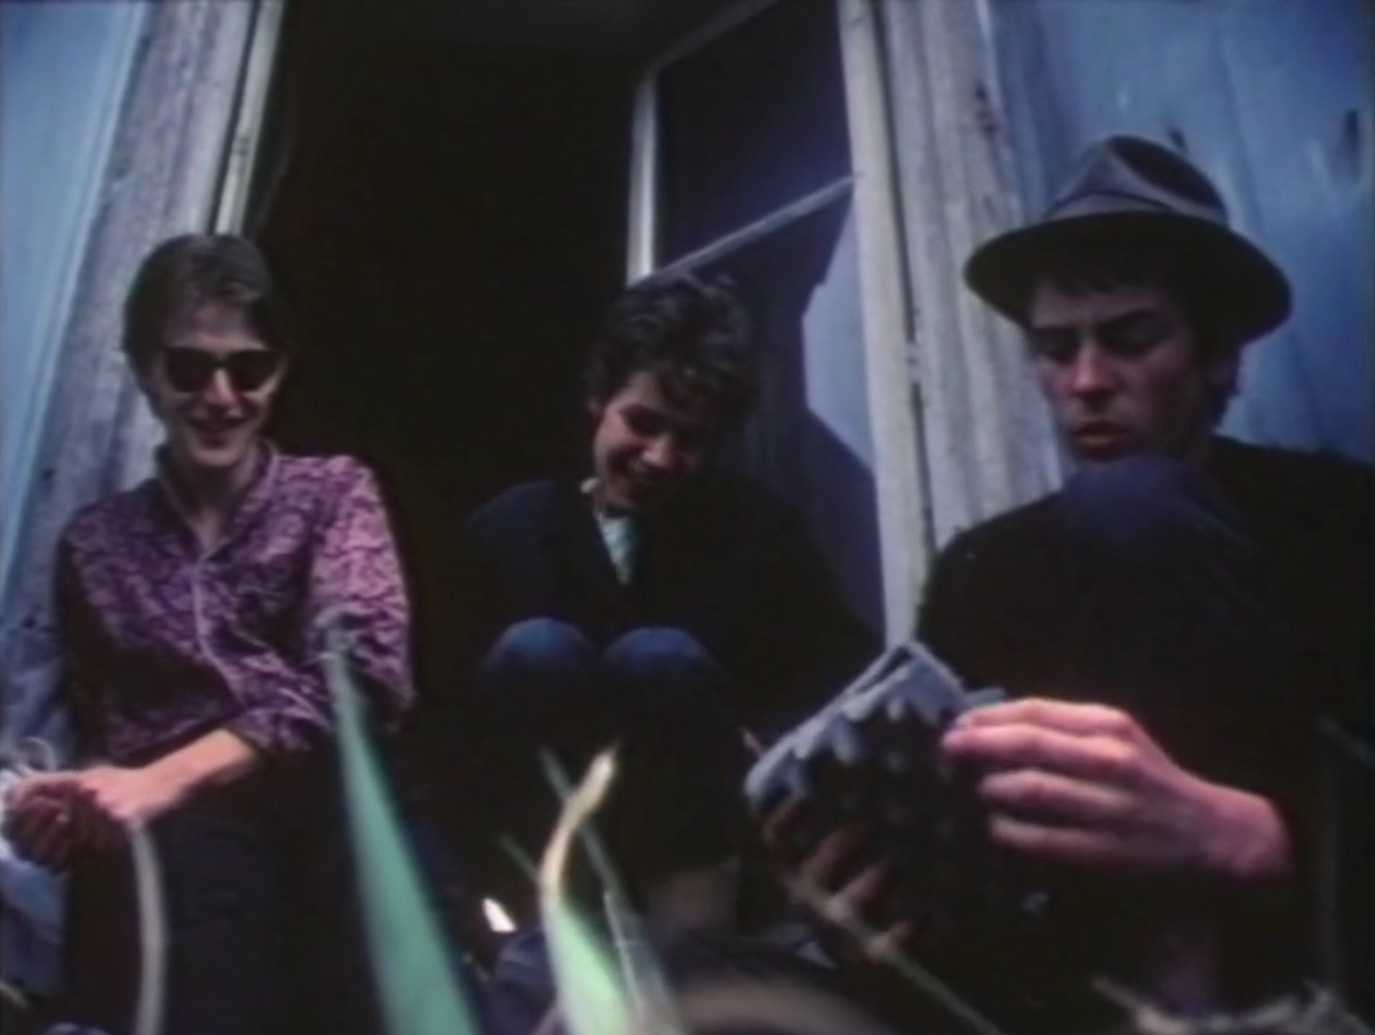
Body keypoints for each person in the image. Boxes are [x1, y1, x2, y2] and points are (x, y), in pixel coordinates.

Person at [766, 136, 1373, 1034]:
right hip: (1046, 991)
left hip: (1298, 976)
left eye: (1130, 338)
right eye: (1054, 349)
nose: (1085, 381)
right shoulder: (983, 571)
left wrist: (1254, 836)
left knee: (1132, 503)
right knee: (681, 973)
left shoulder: (1339, 525)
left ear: (1217, 356)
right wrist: (872, 909)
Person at [2, 234, 415, 1035]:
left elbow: (362, 674)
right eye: (189, 367)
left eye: (248, 368)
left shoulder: (332, 494)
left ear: (280, 371)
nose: (220, 395)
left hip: (316, 821)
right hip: (165, 862)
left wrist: (164, 779)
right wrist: (66, 806)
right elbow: (103, 731)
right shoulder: (96, 545)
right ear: (144, 370)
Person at [438, 273, 875, 931]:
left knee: (658, 658)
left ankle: (691, 944)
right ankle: (548, 926)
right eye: (642, 424)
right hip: (542, 848)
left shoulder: (758, 533)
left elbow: (839, 674)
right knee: (537, 650)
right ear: (598, 399)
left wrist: (763, 741)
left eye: (689, 439)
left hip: (695, 854)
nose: (660, 458)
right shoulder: (507, 531)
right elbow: (446, 719)